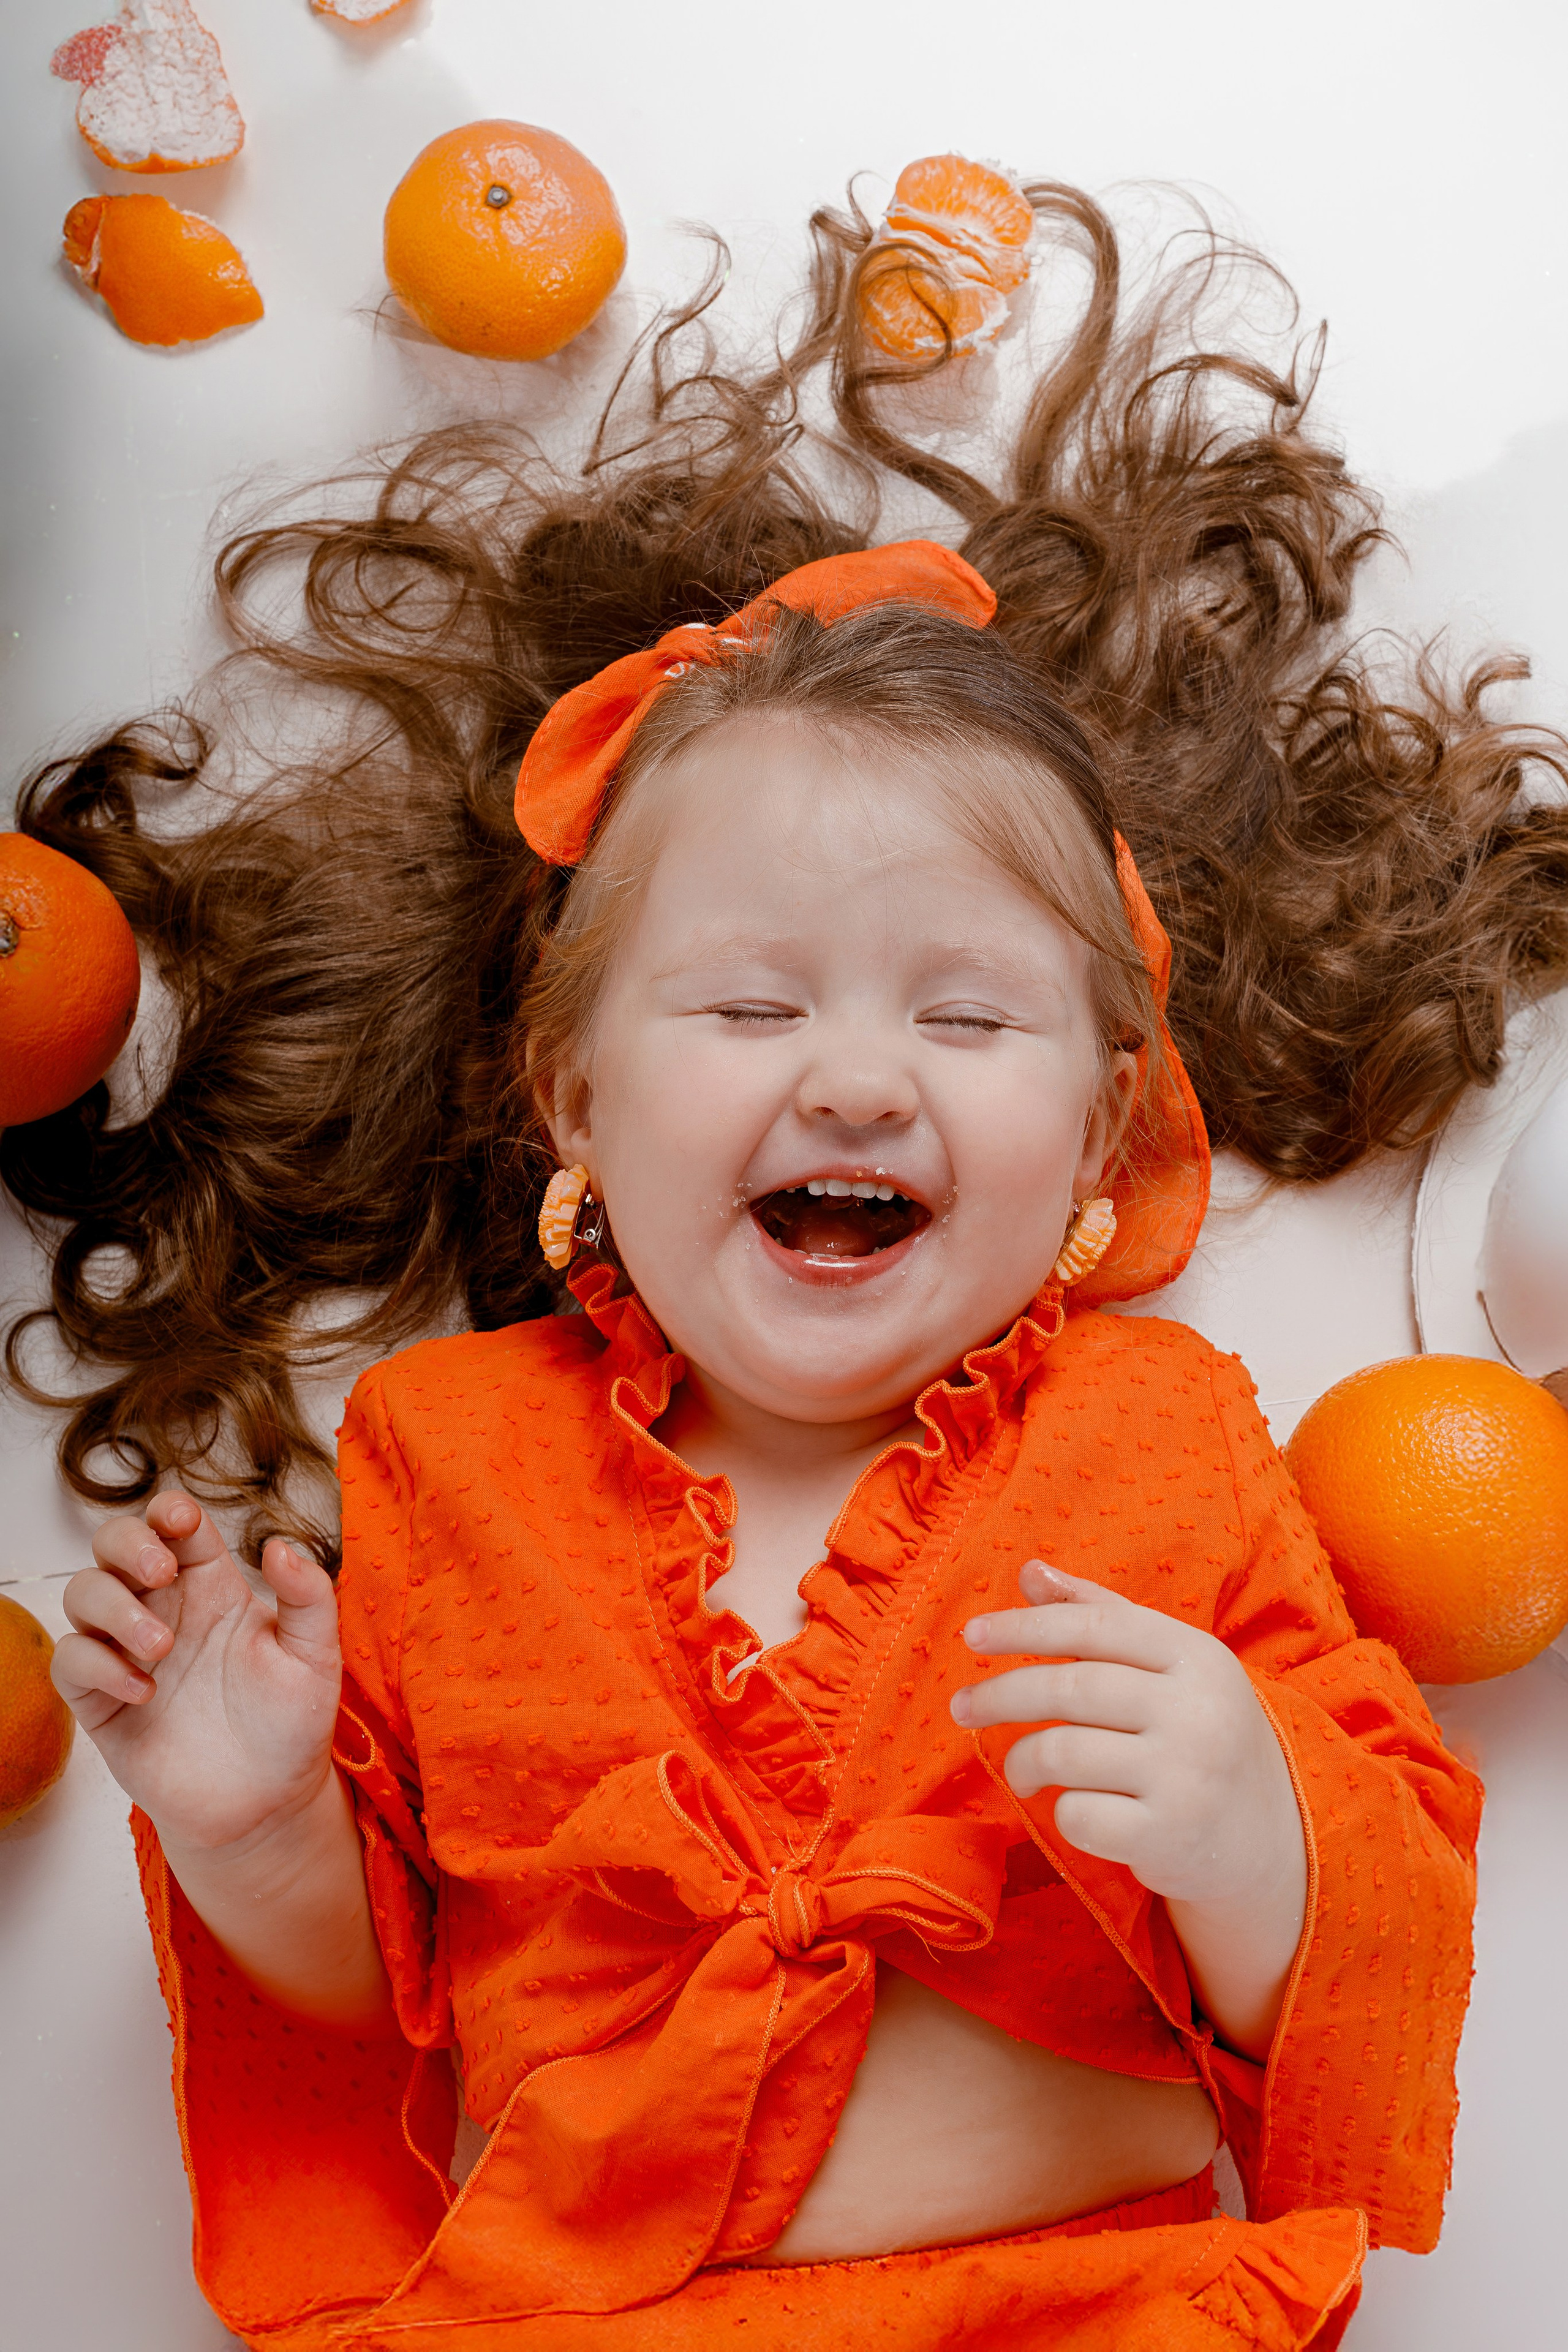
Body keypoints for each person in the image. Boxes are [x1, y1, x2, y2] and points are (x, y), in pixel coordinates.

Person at [18, 172, 1558, 2348]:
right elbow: (386, 2012)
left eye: (967, 1018)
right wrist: (254, 1823)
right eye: (750, 1006)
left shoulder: (1164, 1435)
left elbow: (1377, 1935)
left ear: (1101, 1131)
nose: (853, 1081)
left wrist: (1253, 1830)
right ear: (571, 1101)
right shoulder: (444, 1465)